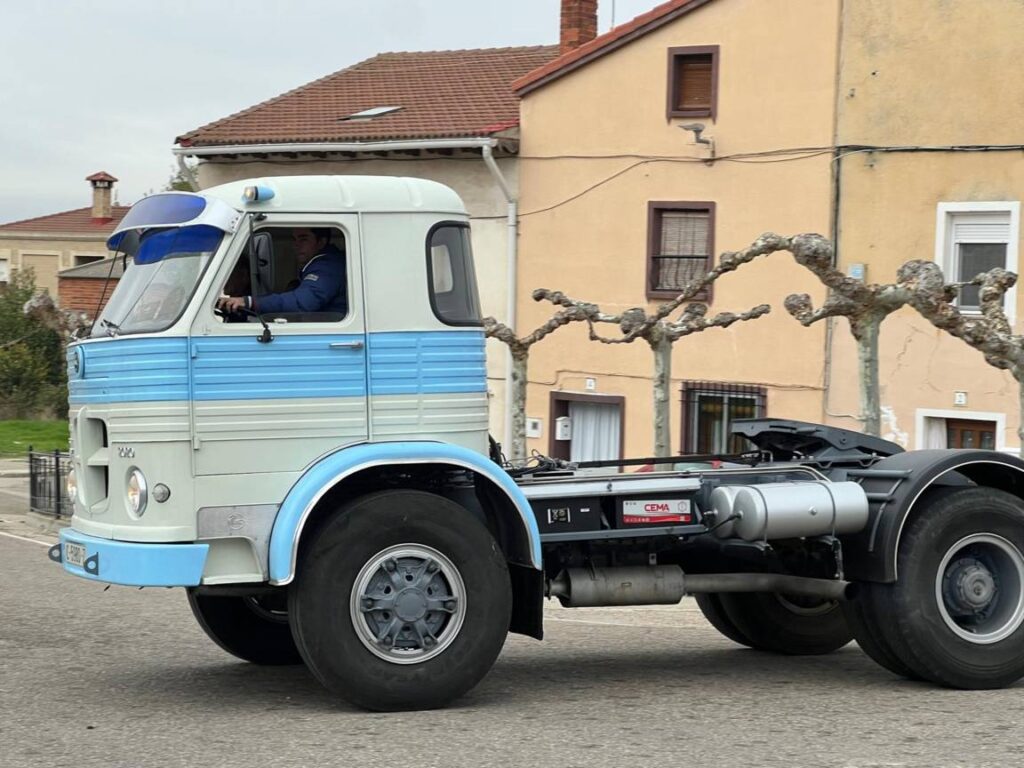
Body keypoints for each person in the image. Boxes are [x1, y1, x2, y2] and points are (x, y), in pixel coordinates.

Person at [219, 227, 347, 316]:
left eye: (303, 239)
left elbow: (302, 303)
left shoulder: (328, 267)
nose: (296, 245)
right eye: (294, 239)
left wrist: (249, 302)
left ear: (321, 242)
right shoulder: (323, 263)